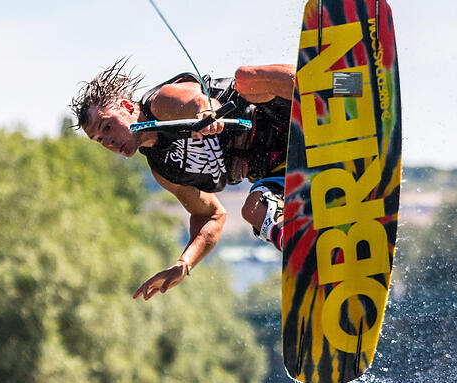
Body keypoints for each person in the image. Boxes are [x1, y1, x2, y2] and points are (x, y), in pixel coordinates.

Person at [70, 59, 295, 301]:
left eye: (107, 126)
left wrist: (206, 111)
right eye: (99, 140)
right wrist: (183, 264)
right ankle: (300, 246)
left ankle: (329, 89)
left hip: (284, 113)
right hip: (282, 167)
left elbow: (195, 100)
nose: (108, 141)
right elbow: (210, 215)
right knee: (253, 210)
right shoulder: (164, 171)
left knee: (245, 77)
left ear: (126, 106)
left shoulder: (161, 102)